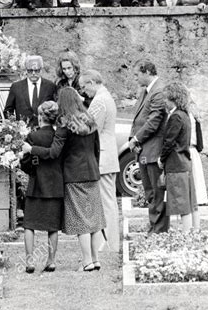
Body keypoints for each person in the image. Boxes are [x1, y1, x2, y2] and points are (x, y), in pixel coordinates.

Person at [23, 87, 106, 272]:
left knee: (81, 220)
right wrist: (94, 168)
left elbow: (54, 153)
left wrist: (32, 150)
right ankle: (96, 258)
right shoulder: (90, 121)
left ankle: (87, 262)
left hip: (74, 175)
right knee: (94, 218)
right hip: (92, 173)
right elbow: (96, 150)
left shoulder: (65, 124)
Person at [19, 101, 64, 274]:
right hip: (55, 185)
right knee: (52, 226)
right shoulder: (59, 136)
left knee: (29, 224)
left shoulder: (33, 137)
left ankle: (30, 261)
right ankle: (51, 261)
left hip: (36, 184)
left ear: (40, 117)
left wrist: (31, 168)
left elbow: (25, 162)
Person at [79, 70, 120, 251]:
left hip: (103, 155)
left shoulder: (100, 100)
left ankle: (110, 243)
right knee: (106, 201)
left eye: (84, 87)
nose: (83, 91)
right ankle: (108, 241)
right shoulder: (105, 97)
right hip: (107, 154)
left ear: (92, 82)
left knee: (106, 202)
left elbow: (89, 127)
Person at [129, 59, 169, 234]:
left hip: (154, 149)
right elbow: (139, 118)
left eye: (137, 74)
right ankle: (154, 226)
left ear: (146, 72)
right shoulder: (147, 91)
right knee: (150, 192)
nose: (135, 78)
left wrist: (136, 139)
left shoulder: (158, 91)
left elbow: (153, 121)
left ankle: (159, 230)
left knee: (156, 192)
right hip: (146, 149)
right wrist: (134, 139)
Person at [158, 83, 196, 231]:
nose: (164, 101)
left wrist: (161, 159)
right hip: (184, 163)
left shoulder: (175, 117)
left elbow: (169, 142)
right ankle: (189, 232)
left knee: (181, 204)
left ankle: (186, 235)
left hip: (176, 164)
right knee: (187, 202)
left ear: (173, 98)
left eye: (166, 98)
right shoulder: (185, 115)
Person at [4, 55, 56, 128]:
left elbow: (55, 109)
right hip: (23, 132)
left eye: (36, 70)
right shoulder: (16, 87)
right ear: (26, 70)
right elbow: (8, 111)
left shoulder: (50, 86)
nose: (33, 73)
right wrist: (14, 127)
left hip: (44, 132)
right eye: (30, 71)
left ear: (41, 70)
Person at [187, 101, 208, 229]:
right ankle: (195, 226)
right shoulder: (195, 118)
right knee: (194, 193)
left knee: (190, 191)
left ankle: (191, 227)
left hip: (187, 152)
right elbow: (200, 145)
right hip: (193, 152)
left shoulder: (183, 117)